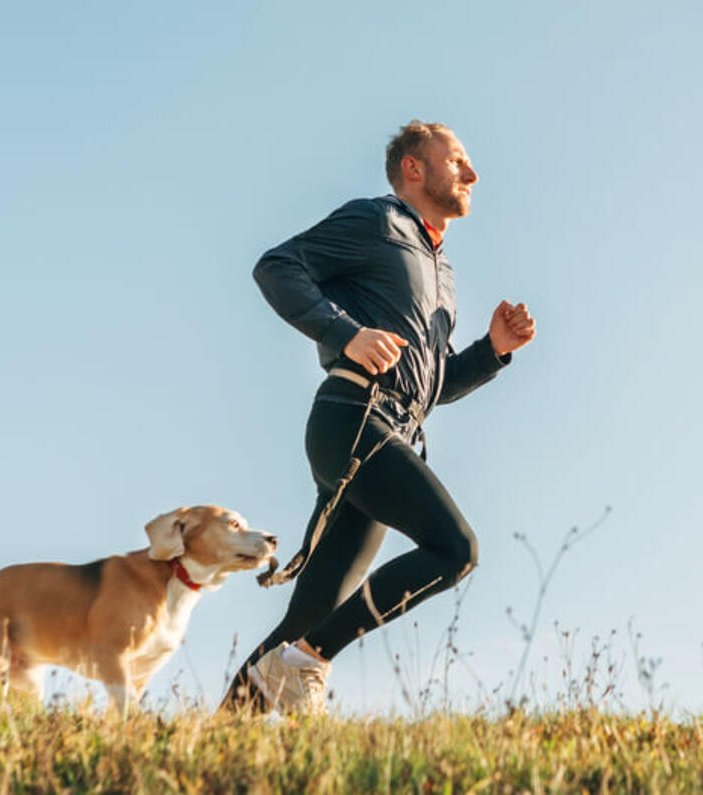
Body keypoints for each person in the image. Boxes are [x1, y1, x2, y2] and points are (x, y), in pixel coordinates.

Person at [220, 121, 536, 715]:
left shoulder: (442, 273)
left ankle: (208, 747)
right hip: (354, 417)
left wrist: (492, 350)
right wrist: (346, 333)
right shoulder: (377, 222)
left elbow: (432, 385)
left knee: (305, 618)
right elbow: (276, 266)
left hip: (394, 430)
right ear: (414, 168)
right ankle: (312, 660)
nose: (471, 174)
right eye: (458, 160)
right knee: (455, 549)